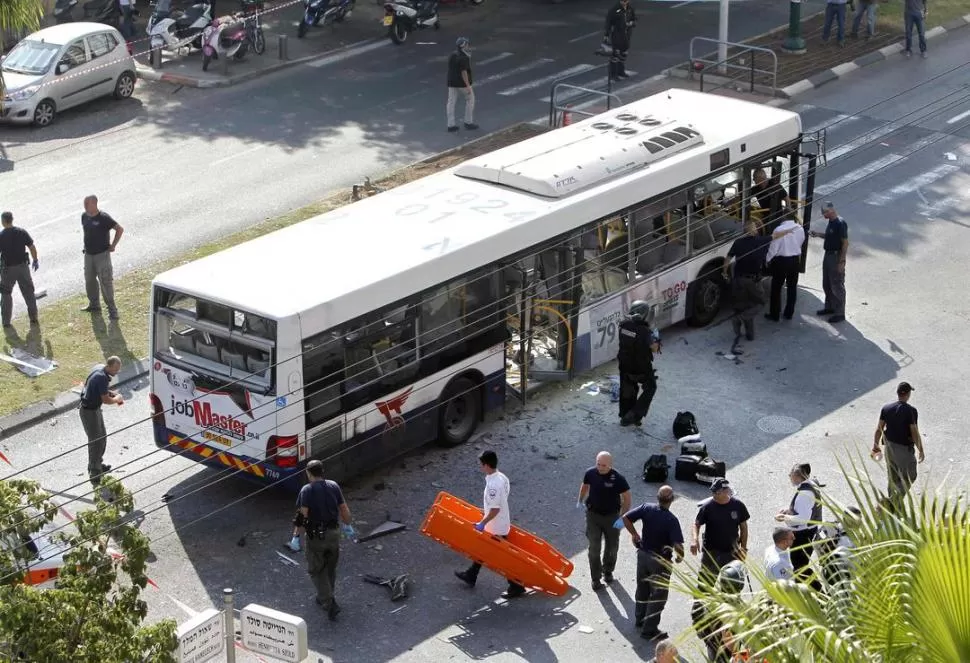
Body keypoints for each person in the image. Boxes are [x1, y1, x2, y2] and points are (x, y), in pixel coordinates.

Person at [455, 450, 526, 599]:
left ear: (487, 465)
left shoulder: (494, 485)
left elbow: (495, 508)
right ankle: (471, 575)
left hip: (495, 527)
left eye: (481, 465)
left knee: (502, 558)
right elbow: (501, 500)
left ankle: (516, 586)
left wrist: (483, 522)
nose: (481, 468)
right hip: (501, 522)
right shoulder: (502, 477)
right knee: (482, 550)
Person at [294, 459, 355, 621]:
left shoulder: (307, 490)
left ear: (308, 473)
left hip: (316, 537)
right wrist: (348, 525)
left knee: (316, 569)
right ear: (322, 471)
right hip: (334, 533)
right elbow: (344, 508)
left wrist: (295, 536)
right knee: (330, 566)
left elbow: (302, 516)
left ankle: (329, 602)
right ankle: (325, 595)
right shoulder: (333, 485)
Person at [622, 485, 684, 641]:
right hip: (660, 562)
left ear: (657, 497)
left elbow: (626, 518)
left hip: (643, 556)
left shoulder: (646, 508)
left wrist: (635, 535)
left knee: (642, 588)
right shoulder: (671, 520)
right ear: (672, 499)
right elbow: (678, 545)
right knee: (658, 595)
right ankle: (649, 630)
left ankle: (640, 619)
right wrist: (680, 557)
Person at [577, 451, 632, 591]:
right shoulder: (590, 473)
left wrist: (622, 517)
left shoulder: (618, 478)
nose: (600, 468)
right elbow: (585, 485)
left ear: (610, 465)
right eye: (598, 464)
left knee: (612, 547)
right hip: (593, 515)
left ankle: (608, 571)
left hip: (612, 517)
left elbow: (627, 498)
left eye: (604, 465)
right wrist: (580, 500)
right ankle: (595, 579)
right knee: (594, 548)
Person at [691, 478, 749, 587]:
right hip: (711, 553)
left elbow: (744, 527)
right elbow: (696, 524)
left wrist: (743, 548)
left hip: (732, 552)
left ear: (726, 491)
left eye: (717, 492)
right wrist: (694, 540)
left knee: (731, 585)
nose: (714, 494)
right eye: (713, 491)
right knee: (705, 586)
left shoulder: (738, 505)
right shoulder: (707, 507)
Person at [78, 356, 124, 492]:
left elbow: (96, 388)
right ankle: (94, 472)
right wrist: (116, 398)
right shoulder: (102, 377)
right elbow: (106, 400)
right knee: (95, 441)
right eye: (116, 369)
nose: (117, 372)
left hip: (94, 409)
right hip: (89, 412)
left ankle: (98, 464)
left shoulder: (99, 369)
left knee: (102, 436)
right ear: (109, 366)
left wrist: (110, 392)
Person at [873, 382, 924, 500]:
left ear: (898, 393)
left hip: (889, 448)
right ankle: (892, 502)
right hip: (903, 450)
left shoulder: (886, 408)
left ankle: (893, 510)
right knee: (910, 475)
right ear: (908, 394)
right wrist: (921, 449)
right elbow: (914, 432)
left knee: (893, 478)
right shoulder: (911, 411)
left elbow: (879, 429)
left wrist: (875, 446)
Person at [774, 463, 822, 587]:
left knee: (799, 566)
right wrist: (788, 510)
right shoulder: (810, 485)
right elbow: (802, 509)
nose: (789, 476)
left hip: (803, 534)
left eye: (791, 474)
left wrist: (784, 517)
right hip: (808, 531)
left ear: (797, 476)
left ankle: (816, 590)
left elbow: (803, 519)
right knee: (801, 564)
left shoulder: (804, 494)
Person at [691, 560, 748, 663]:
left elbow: (700, 630)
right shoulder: (739, 609)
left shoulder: (711, 602)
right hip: (730, 655)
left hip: (712, 649)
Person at [722, 221, 770, 342]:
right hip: (753, 281)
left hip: (738, 280)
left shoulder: (738, 243)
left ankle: (741, 332)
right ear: (754, 231)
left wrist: (724, 272)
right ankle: (745, 326)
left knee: (740, 305)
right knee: (759, 303)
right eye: (756, 228)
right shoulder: (761, 241)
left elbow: (728, 259)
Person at [617, 299, 661, 427]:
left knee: (627, 389)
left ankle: (625, 416)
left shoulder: (623, 326)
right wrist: (656, 336)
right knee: (651, 387)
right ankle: (635, 414)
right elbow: (655, 348)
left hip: (625, 364)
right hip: (641, 367)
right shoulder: (645, 331)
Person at [80, 195, 124, 320]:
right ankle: (94, 304)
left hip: (102, 255)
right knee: (89, 280)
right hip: (88, 255)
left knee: (106, 282)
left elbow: (119, 229)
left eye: (86, 204)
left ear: (94, 204)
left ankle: (112, 309)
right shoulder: (84, 216)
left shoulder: (104, 218)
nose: (85, 207)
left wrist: (113, 245)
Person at [809, 202, 848, 324]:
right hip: (828, 255)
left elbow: (845, 243)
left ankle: (839, 312)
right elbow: (830, 236)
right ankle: (829, 307)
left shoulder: (840, 223)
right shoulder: (831, 222)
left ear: (831, 210)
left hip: (835, 256)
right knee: (826, 283)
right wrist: (818, 234)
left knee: (836, 285)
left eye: (824, 212)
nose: (823, 215)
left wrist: (841, 261)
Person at [0, 211, 39, 329]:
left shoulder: (1, 236)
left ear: (3, 221)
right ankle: (33, 317)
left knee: (6, 294)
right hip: (23, 268)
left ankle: (6, 322)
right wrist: (35, 260)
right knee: (28, 292)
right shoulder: (21, 232)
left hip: (7, 270)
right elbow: (32, 247)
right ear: (12, 219)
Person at [764, 214, 805, 321]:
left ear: (783, 218)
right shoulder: (800, 228)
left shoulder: (779, 229)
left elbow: (773, 248)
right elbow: (801, 242)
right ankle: (789, 313)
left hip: (781, 262)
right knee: (792, 288)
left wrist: (767, 260)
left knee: (776, 288)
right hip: (795, 261)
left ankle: (775, 314)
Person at [446, 37, 477, 133]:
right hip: (462, 84)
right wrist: (468, 86)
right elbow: (464, 72)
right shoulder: (464, 58)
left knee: (451, 103)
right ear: (464, 45)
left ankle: (450, 125)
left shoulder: (452, 55)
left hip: (451, 82)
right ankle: (468, 122)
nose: (468, 46)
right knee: (470, 100)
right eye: (467, 44)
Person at [604, 0, 636, 81]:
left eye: (626, 1)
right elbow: (608, 23)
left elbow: (634, 18)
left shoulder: (630, 8)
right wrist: (606, 35)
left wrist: (632, 23)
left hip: (627, 34)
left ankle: (621, 71)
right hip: (617, 34)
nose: (624, 2)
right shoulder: (614, 10)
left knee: (624, 53)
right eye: (623, 1)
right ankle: (613, 74)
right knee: (615, 54)